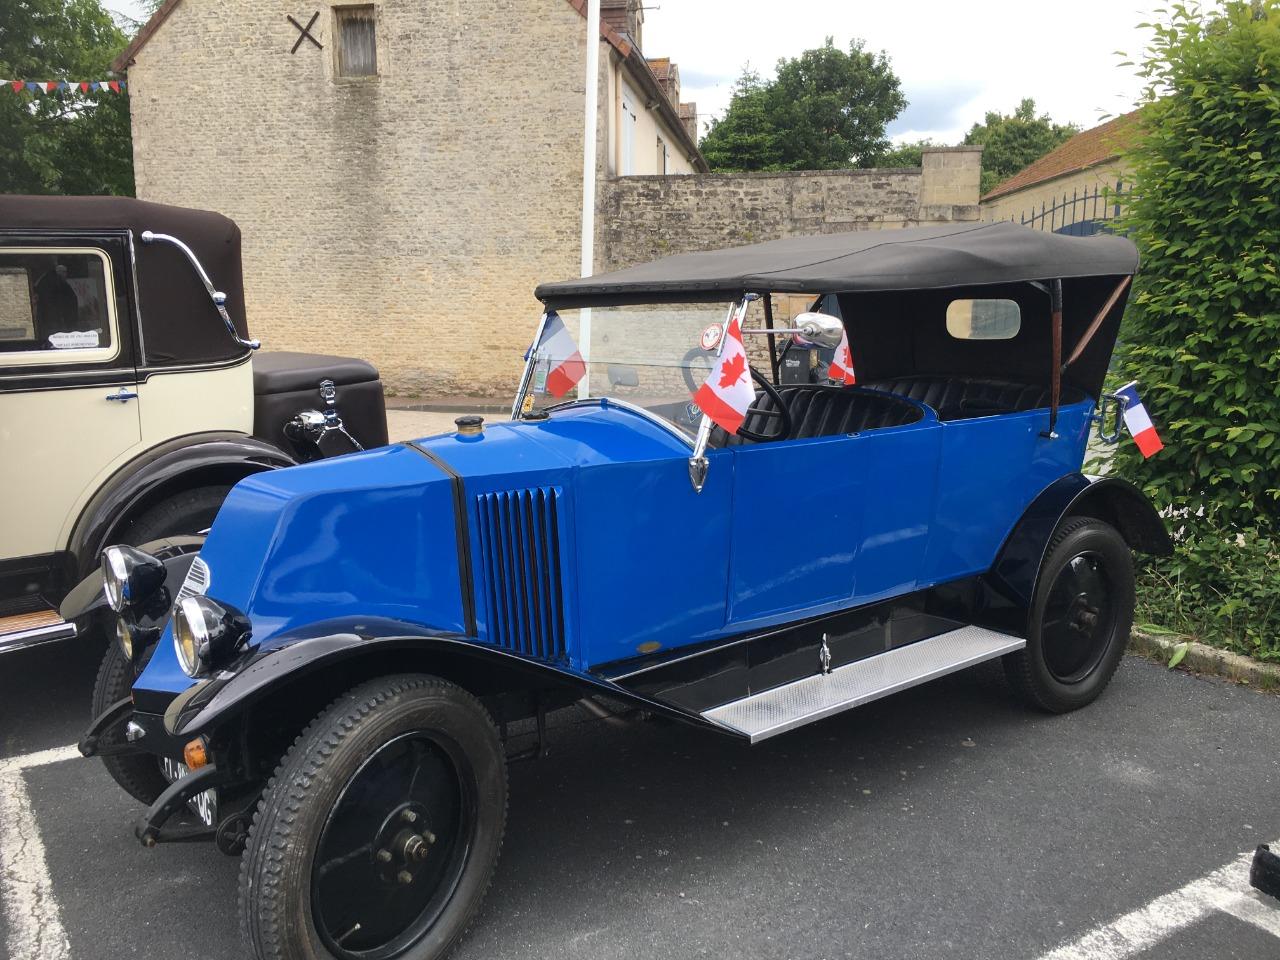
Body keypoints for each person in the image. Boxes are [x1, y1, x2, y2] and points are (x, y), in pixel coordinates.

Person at [33, 262, 81, 341]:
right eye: (64, 272)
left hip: (53, 324)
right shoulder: (54, 282)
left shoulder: (48, 281)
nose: (66, 275)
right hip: (56, 323)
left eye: (65, 272)